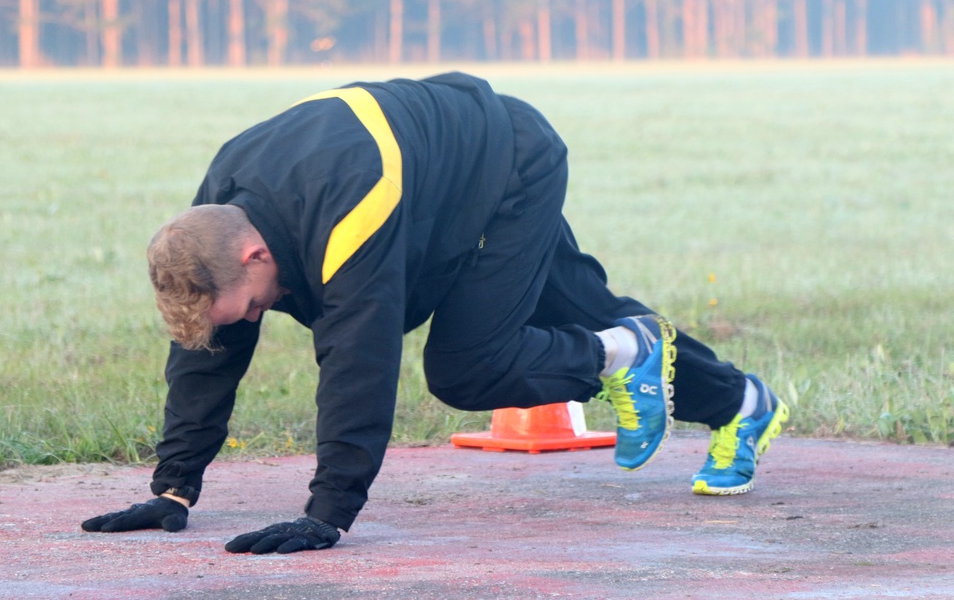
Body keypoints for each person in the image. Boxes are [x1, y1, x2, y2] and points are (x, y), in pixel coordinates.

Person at [81, 72, 789, 555]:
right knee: (586, 311)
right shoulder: (218, 213)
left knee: (468, 365)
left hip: (507, 167)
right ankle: (742, 401)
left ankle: (620, 353)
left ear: (255, 255)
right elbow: (206, 352)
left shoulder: (347, 215)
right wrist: (172, 486)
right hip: (439, 188)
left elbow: (359, 359)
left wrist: (326, 513)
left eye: (243, 310)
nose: (242, 323)